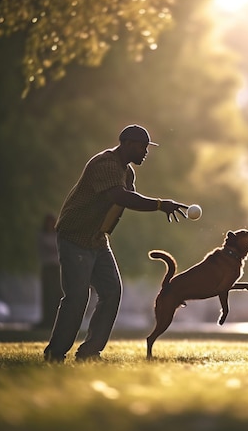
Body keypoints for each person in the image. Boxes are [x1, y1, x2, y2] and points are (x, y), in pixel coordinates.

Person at [44, 124, 188, 363]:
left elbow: (127, 200)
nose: (146, 152)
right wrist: (161, 205)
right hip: (75, 237)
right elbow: (121, 197)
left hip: (97, 240)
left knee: (112, 292)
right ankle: (55, 354)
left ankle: (90, 353)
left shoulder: (127, 171)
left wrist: (105, 232)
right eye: (143, 147)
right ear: (128, 144)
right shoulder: (105, 164)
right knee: (77, 297)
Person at [36, 213, 62, 329]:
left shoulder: (58, 235)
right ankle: (47, 319)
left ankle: (57, 320)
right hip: (48, 267)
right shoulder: (43, 236)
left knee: (57, 294)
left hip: (57, 268)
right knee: (47, 294)